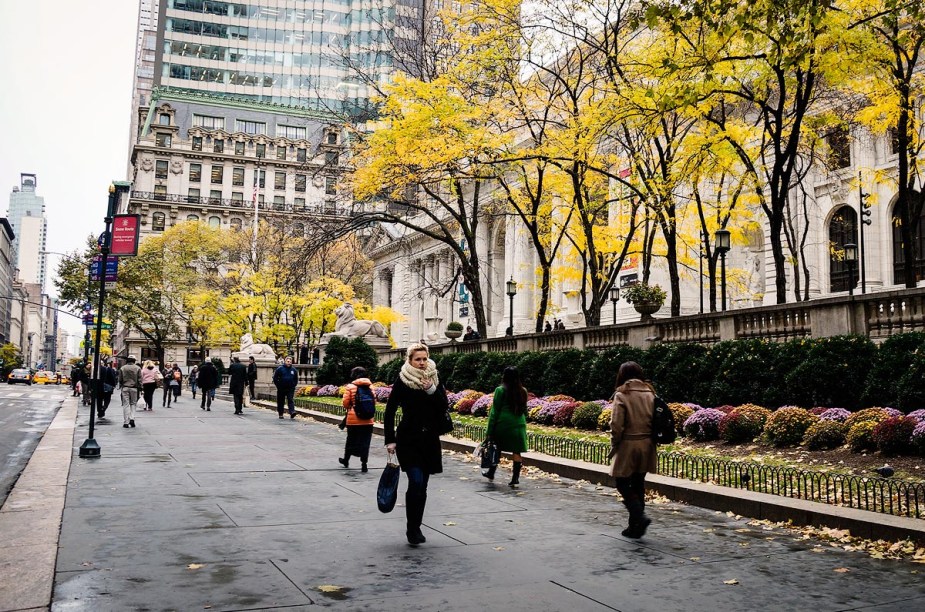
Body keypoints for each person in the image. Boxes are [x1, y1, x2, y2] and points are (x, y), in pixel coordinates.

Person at [384, 343, 450, 546]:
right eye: (417, 359)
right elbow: (390, 410)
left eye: (424, 359)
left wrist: (431, 389)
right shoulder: (403, 380)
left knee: (424, 486)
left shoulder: (434, 378)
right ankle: (411, 529)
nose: (422, 363)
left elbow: (443, 406)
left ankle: (416, 526)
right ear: (409, 360)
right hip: (408, 439)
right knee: (416, 481)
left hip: (429, 440)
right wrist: (390, 440)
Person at [609, 361, 657, 539]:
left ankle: (639, 516)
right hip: (647, 444)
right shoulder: (650, 392)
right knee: (638, 483)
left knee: (622, 483)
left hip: (628, 443)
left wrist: (615, 441)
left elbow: (616, 424)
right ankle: (634, 526)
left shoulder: (622, 394)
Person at [484, 367, 529, 487]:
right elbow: (525, 410)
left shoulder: (500, 390)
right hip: (519, 424)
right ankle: (515, 478)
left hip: (503, 424)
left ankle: (491, 472)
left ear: (504, 376)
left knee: (496, 447)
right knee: (517, 451)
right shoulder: (523, 390)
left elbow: (495, 411)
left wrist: (489, 430)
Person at [339, 366, 375, 472]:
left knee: (351, 440)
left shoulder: (350, 387)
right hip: (368, 420)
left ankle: (346, 460)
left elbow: (345, 403)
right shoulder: (371, 387)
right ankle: (364, 464)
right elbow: (374, 402)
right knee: (365, 442)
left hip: (353, 420)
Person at [118, 355, 142, 429]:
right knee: (133, 404)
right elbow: (140, 379)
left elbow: (120, 379)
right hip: (134, 388)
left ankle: (126, 422)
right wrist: (141, 388)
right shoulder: (138, 368)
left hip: (125, 387)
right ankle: (132, 418)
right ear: (134, 360)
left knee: (126, 404)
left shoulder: (123, 368)